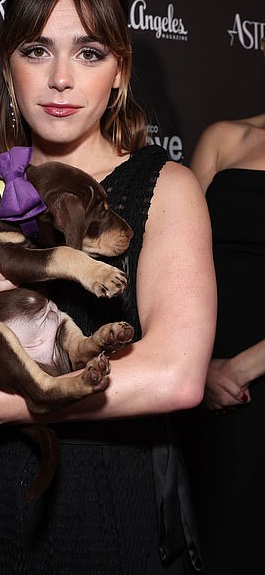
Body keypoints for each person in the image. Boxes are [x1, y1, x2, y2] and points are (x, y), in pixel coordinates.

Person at [0, 0, 216, 574]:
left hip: (109, 505)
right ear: (8, 67)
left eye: (90, 53)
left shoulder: (164, 186)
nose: (61, 80)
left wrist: (18, 403)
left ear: (120, 70)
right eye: (38, 50)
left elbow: (179, 375)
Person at [176, 36, 265, 574]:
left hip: (246, 379)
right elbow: (179, 263)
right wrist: (199, 369)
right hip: (204, 386)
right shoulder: (225, 139)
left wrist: (242, 367)